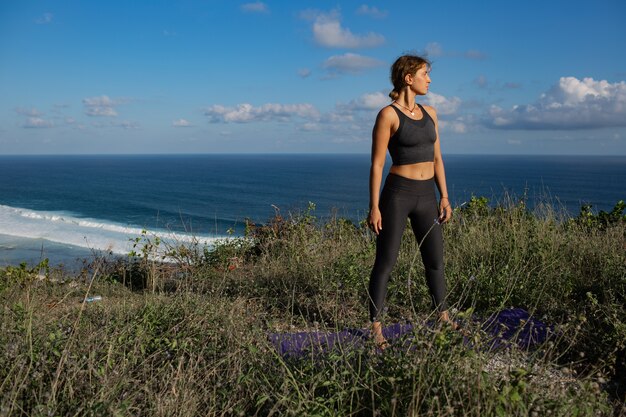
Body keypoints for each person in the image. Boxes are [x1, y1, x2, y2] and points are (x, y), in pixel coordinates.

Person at [367, 54, 456, 349]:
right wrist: (374, 206)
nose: (429, 79)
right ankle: (376, 328)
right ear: (409, 78)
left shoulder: (431, 112)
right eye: (425, 74)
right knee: (386, 261)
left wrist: (444, 196)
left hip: (427, 196)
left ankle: (443, 317)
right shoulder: (388, 115)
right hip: (398, 194)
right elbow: (377, 164)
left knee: (434, 260)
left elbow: (438, 158)